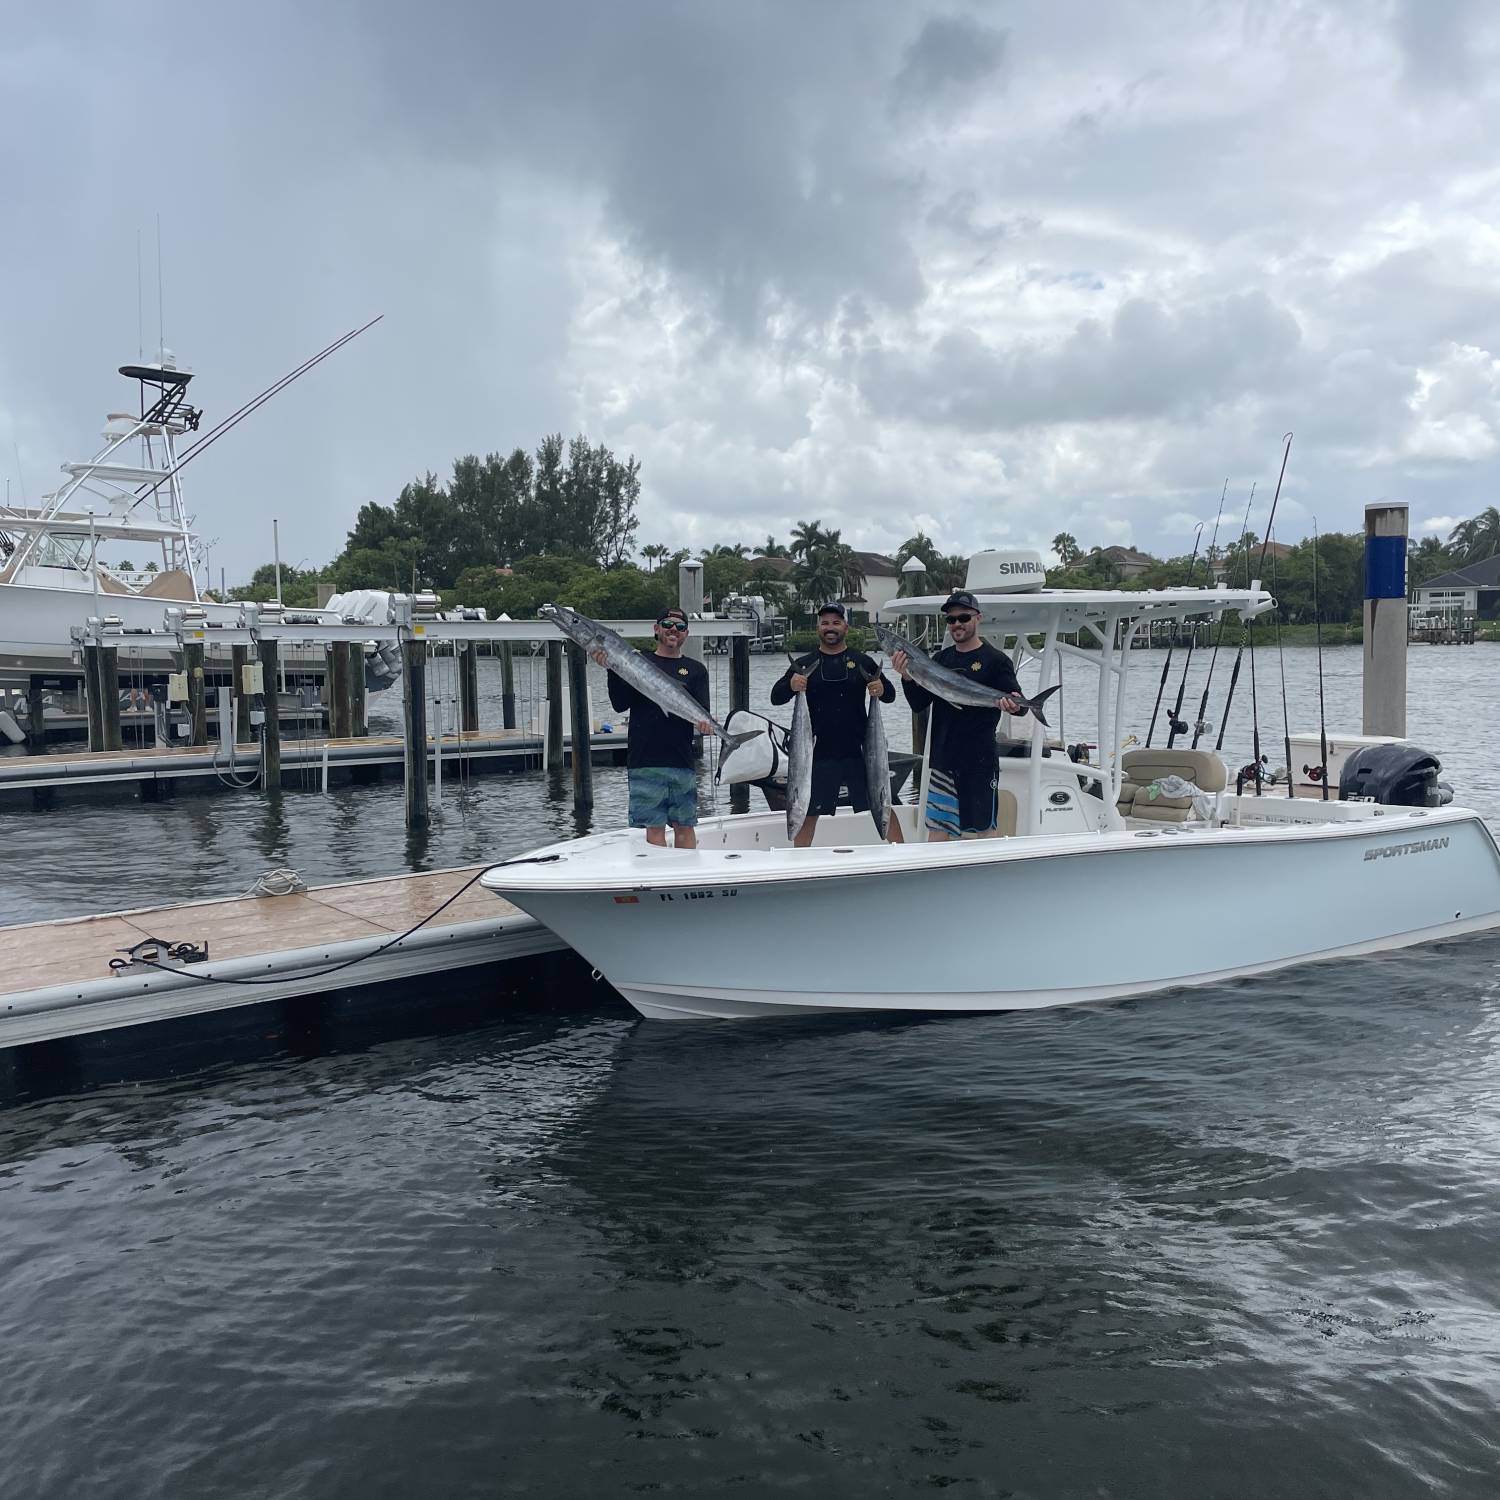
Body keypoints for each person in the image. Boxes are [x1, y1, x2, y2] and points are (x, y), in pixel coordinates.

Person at [891, 589, 1024, 841]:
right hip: (944, 761)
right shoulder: (940, 659)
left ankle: (987, 879)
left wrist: (1016, 705)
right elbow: (919, 704)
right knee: (937, 833)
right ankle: (938, 879)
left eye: (963, 617)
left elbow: (1019, 703)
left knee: (984, 830)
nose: (957, 624)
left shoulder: (996, 660)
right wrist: (907, 677)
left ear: (978, 618)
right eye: (951, 620)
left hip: (979, 761)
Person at [771, 602, 903, 847]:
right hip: (817, 753)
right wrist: (791, 685)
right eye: (825, 623)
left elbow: (891, 695)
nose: (830, 628)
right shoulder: (803, 664)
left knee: (884, 804)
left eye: (836, 622)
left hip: (860, 751)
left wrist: (881, 688)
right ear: (818, 627)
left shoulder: (862, 661)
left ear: (846, 627)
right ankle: (799, 864)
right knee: (807, 811)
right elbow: (776, 698)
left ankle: (904, 857)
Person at [591, 607, 712, 849]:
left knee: (685, 826)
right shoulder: (637, 661)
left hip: (681, 760)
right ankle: (661, 878)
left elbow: (702, 712)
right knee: (654, 828)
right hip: (644, 759)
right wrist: (612, 670)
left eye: (679, 627)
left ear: (686, 633)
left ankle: (685, 877)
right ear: (656, 629)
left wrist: (706, 725)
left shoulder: (696, 670)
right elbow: (619, 704)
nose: (673, 630)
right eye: (667, 624)